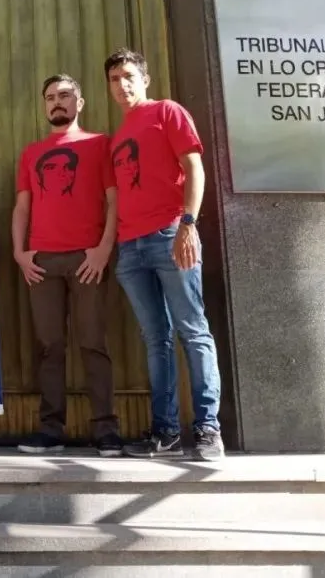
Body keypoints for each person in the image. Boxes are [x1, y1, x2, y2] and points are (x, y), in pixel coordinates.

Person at [105, 48, 225, 461]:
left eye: (128, 75)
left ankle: (208, 429)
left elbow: (195, 167)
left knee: (193, 329)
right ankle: (165, 431)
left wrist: (188, 224)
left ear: (144, 79)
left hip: (169, 234)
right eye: (115, 79)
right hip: (131, 247)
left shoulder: (167, 112)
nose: (122, 84)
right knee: (156, 339)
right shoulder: (119, 136)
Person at [12, 73, 122, 457]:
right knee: (49, 347)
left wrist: (103, 249)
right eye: (50, 98)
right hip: (41, 262)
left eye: (64, 95)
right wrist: (19, 253)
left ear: (80, 102)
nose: (56, 102)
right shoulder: (30, 153)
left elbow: (114, 201)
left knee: (93, 343)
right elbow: (22, 207)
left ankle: (106, 430)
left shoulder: (100, 145)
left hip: (87, 259)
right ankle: (51, 430)